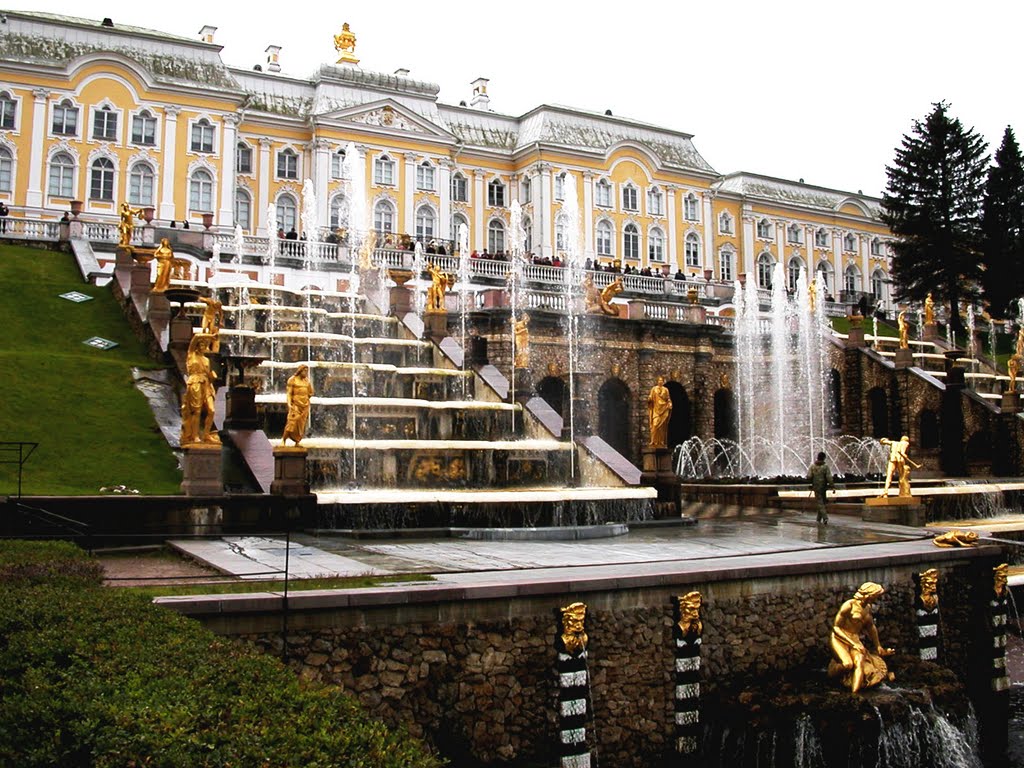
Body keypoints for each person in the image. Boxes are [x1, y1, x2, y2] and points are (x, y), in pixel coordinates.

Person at [828, 582, 895, 693]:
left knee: (859, 661)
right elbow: (836, 628)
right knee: (848, 664)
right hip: (839, 638)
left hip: (854, 638)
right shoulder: (849, 605)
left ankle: (855, 694)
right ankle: (832, 673)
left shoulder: (867, 608)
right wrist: (852, 644)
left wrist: (878, 646)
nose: (877, 599)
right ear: (869, 595)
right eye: (876, 596)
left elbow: (871, 627)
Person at [180, 333, 219, 446]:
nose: (203, 347)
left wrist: (212, 377)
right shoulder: (191, 355)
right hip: (195, 382)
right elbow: (196, 337)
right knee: (196, 411)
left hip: (206, 384)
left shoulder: (206, 360)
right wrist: (210, 336)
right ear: (197, 346)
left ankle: (206, 435)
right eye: (201, 345)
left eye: (204, 345)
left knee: (211, 410)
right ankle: (194, 435)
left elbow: (208, 375)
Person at [281, 365, 314, 446]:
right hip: (295, 405)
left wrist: (305, 398)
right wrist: (289, 404)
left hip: (305, 406)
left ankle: (297, 442)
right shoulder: (292, 380)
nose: (306, 373)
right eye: (304, 371)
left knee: (301, 425)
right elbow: (289, 393)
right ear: (300, 371)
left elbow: (310, 393)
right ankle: (283, 440)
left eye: (307, 371)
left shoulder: (307, 381)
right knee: (291, 423)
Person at [807, 451, 834, 524]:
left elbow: (809, 476)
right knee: (822, 502)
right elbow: (829, 477)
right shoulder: (825, 466)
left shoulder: (812, 466)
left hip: (816, 486)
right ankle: (821, 518)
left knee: (820, 502)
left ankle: (822, 518)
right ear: (824, 458)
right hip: (824, 486)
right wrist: (832, 486)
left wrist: (811, 480)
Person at [647, 376, 672, 448]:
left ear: (663, 382)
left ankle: (661, 441)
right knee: (655, 425)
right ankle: (653, 441)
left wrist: (670, 403)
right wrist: (649, 399)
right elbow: (651, 397)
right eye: (659, 380)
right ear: (657, 381)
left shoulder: (666, 390)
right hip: (656, 410)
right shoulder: (654, 389)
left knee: (662, 427)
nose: (660, 382)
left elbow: (668, 399)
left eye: (662, 380)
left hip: (664, 409)